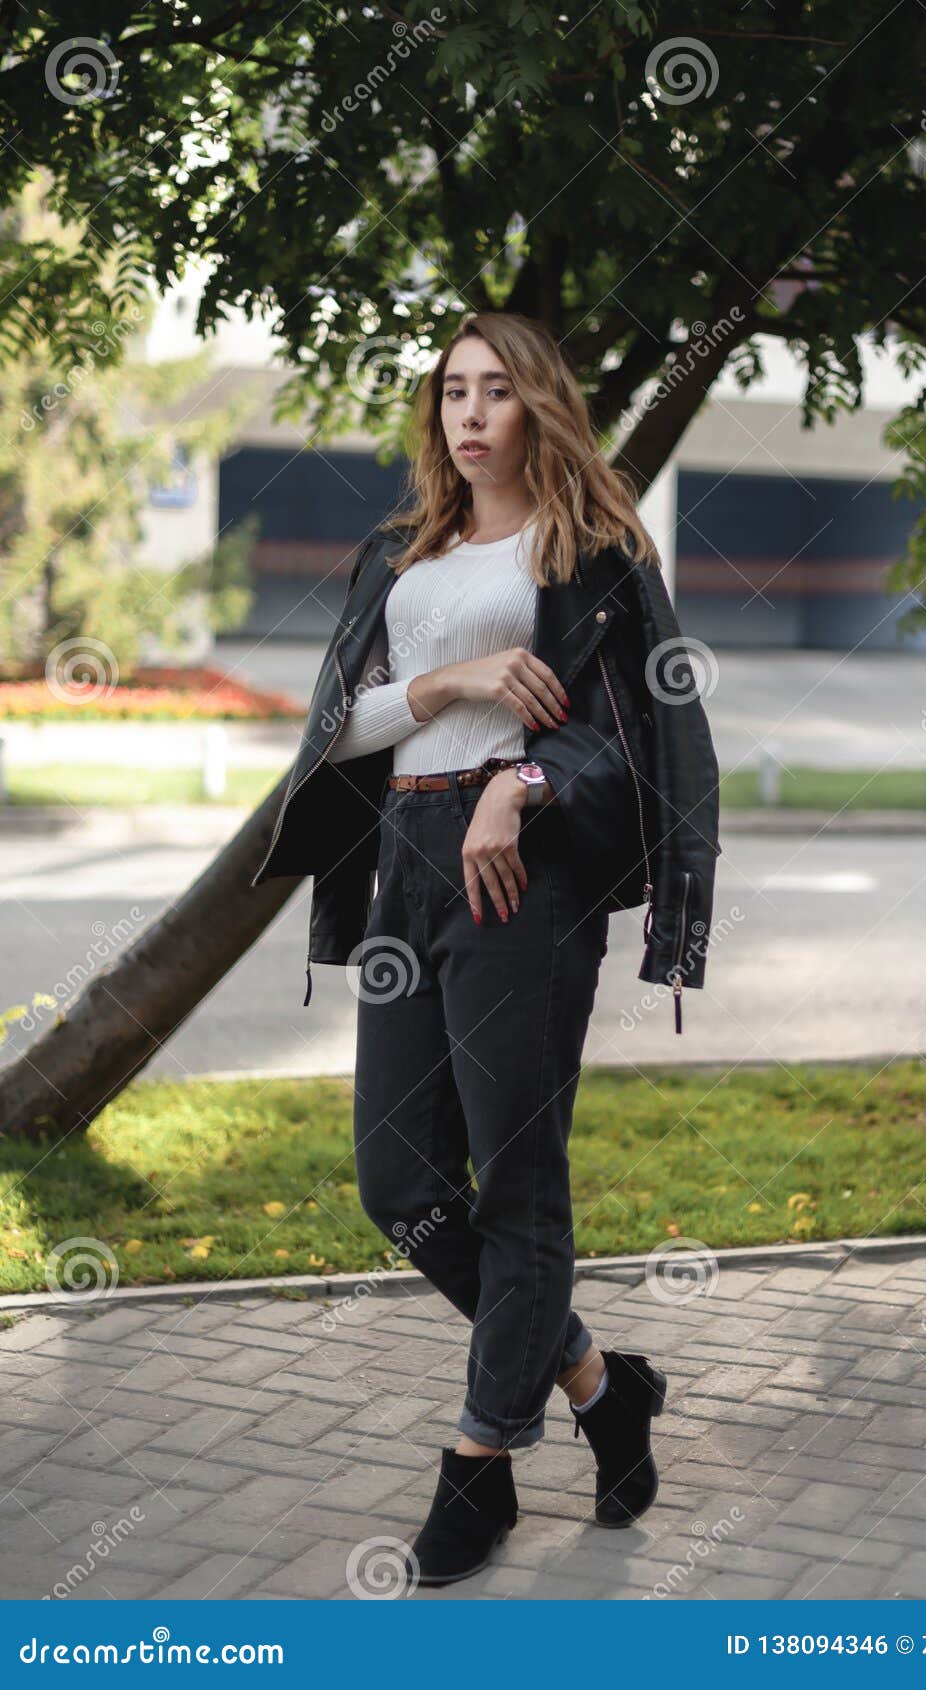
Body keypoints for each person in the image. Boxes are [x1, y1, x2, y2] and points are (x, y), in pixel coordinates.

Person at [252, 310, 720, 1589]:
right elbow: (339, 729)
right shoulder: (400, 553)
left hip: (519, 870)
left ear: (539, 406)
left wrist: (521, 785)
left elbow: (636, 728)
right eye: (452, 391)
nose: (469, 414)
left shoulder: (590, 551)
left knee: (518, 1181)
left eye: (496, 391)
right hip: (406, 854)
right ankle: (600, 1382)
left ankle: (479, 1466)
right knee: (399, 1183)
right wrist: (456, 687)